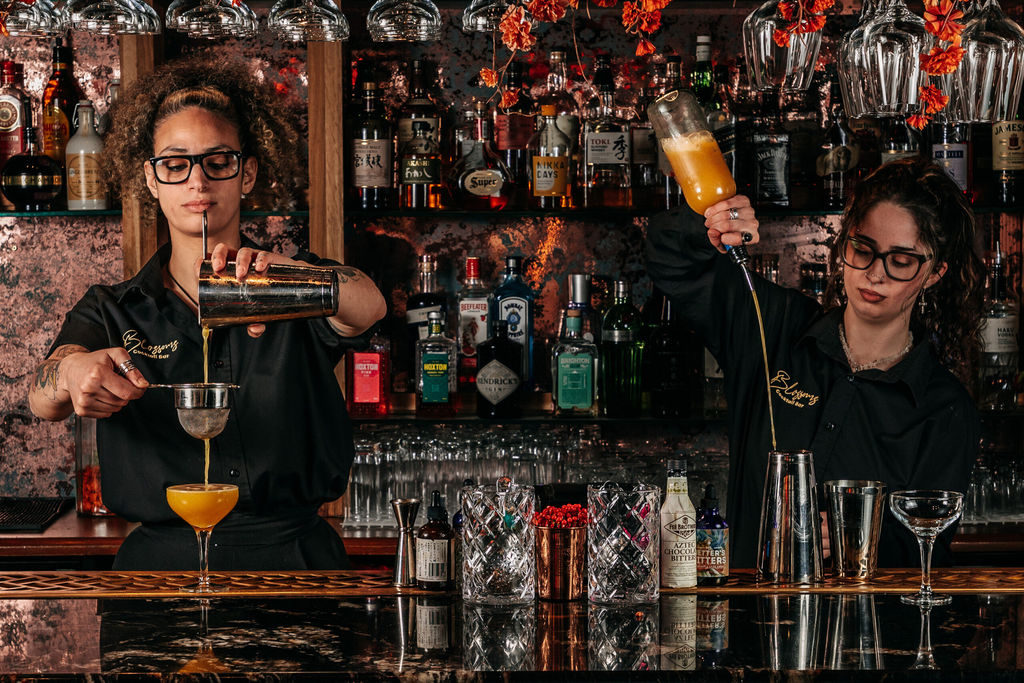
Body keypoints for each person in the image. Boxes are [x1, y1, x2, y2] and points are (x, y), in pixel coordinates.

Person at [27, 57, 387, 570]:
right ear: (151, 180)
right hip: (156, 569)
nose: (198, 182)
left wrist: (290, 278)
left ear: (247, 174)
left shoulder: (296, 282)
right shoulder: (113, 307)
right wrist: (70, 372)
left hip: (295, 562)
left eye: (219, 161)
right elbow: (43, 400)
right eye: (176, 165)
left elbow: (370, 305)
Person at [647, 159, 983, 569]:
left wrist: (859, 540)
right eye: (863, 249)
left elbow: (928, 548)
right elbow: (667, 257)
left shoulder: (944, 408)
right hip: (747, 622)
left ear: (934, 273)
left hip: (869, 630)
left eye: (901, 260)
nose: (875, 274)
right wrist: (716, 224)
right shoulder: (771, 325)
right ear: (843, 245)